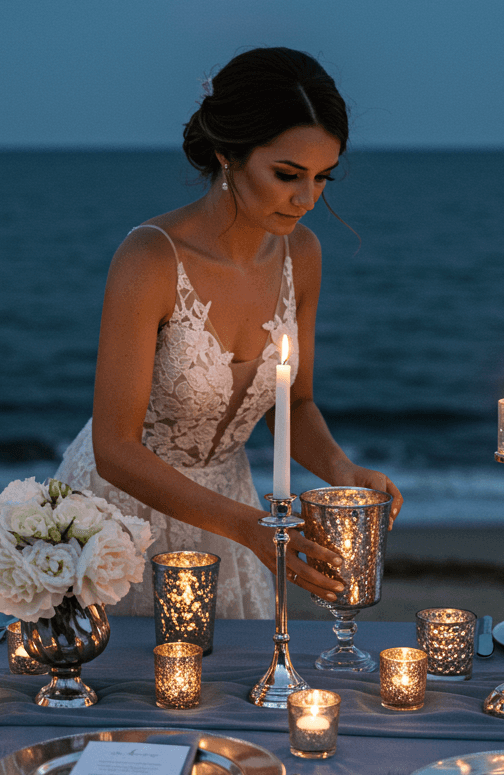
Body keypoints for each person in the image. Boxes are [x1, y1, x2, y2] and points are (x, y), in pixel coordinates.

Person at [58, 46, 402, 618]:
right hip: (119, 517)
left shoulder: (304, 254)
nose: (307, 199)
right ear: (227, 154)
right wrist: (252, 528)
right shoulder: (150, 258)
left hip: (239, 516)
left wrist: (343, 470)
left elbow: (296, 401)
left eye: (322, 178)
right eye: (287, 175)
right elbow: (114, 450)